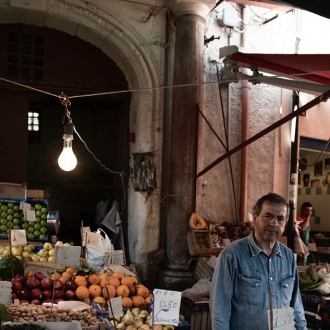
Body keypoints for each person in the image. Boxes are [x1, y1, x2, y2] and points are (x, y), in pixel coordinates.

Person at [210, 193, 307, 330]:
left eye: (280, 219)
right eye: (268, 216)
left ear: (285, 224)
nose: (274, 223)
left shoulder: (289, 256)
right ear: (255, 219)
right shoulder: (231, 256)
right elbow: (220, 312)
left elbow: (296, 305)